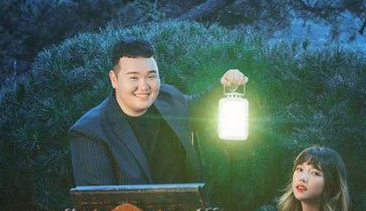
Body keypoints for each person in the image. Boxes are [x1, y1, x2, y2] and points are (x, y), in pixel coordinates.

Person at [69, 38, 247, 186]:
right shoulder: (90, 131)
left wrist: (223, 85)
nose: (144, 86)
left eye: (151, 76)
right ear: (114, 79)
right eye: (134, 77)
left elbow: (197, 108)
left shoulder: (168, 97)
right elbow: (100, 207)